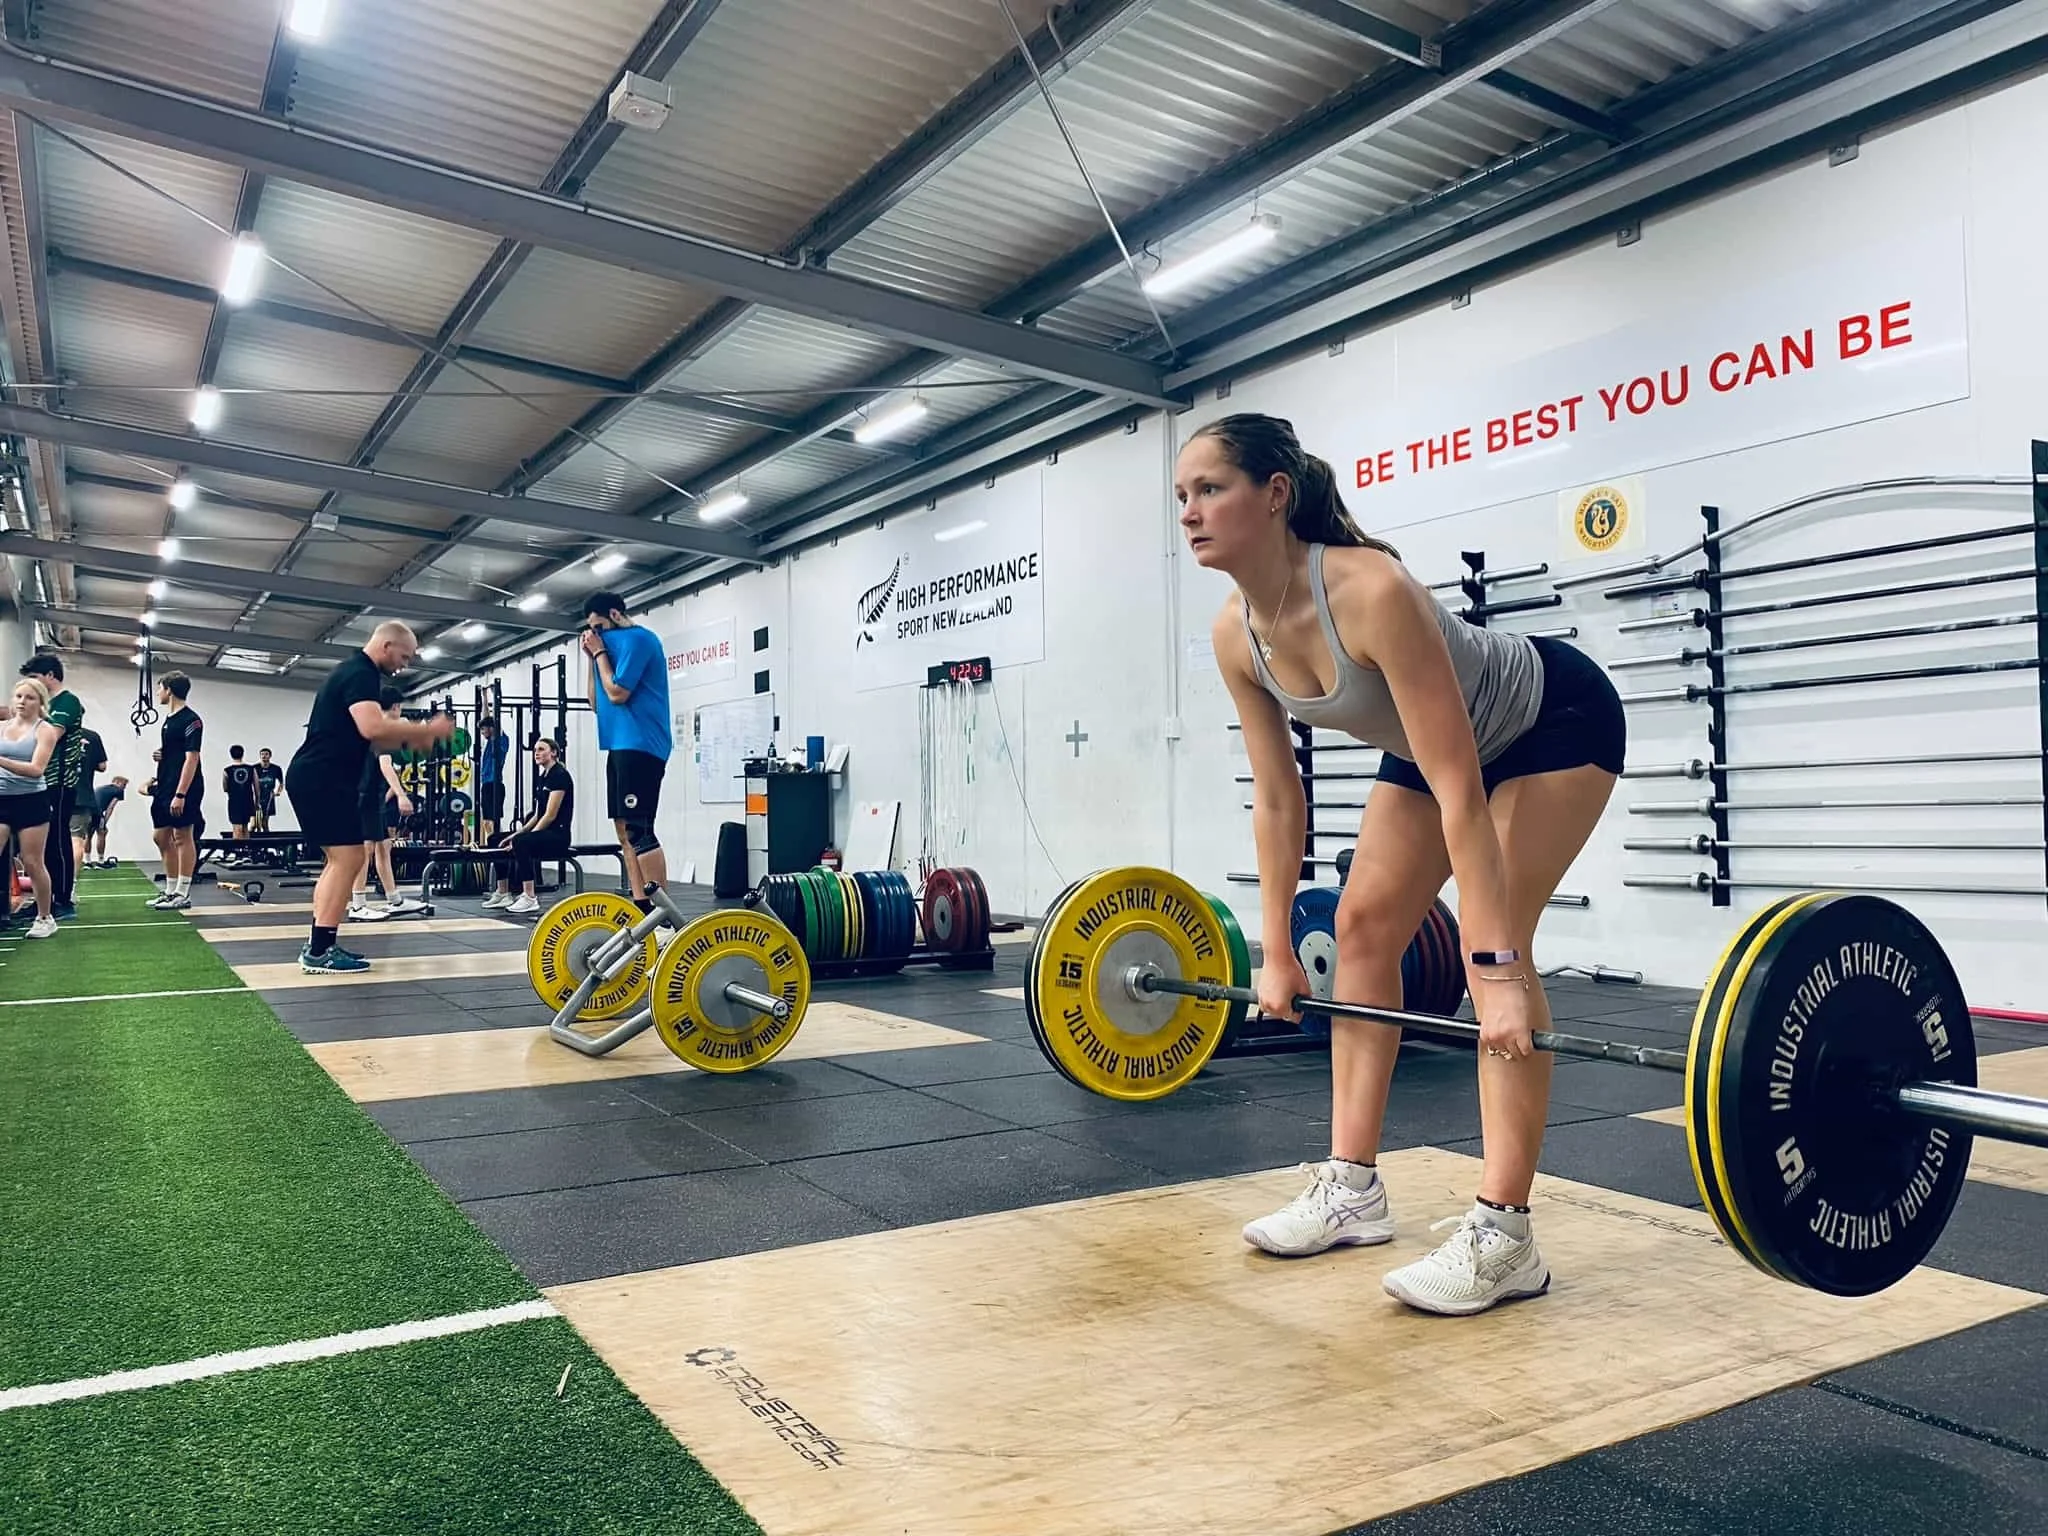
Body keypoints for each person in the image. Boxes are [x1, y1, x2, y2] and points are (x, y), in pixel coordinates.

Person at [1180, 413, 1625, 1317]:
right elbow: (1277, 799)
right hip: (1442, 745)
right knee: (1358, 929)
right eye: (1181, 497)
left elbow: (1460, 789)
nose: (1190, 512)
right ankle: (1352, 1190)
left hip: (1553, 721)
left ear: (1275, 495)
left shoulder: (1371, 591)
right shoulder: (1238, 632)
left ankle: (1506, 1237)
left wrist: (1494, 975)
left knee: (1498, 945)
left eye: (1210, 489)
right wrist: (1271, 951)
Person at [285, 621, 451, 973]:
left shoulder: (356, 672)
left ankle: (318, 943)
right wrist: (426, 732)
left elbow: (374, 737)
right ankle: (319, 951)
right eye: (404, 656)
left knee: (340, 860)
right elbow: (372, 728)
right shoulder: (361, 674)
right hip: (322, 778)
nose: (405, 664)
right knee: (348, 859)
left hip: (321, 777)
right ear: (386, 645)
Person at [581, 591, 671, 910]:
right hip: (618, 744)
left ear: (616, 615)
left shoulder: (638, 640)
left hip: (643, 744)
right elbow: (595, 702)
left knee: (639, 827)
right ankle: (640, 904)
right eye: (592, 628)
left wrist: (601, 653)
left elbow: (617, 693)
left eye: (600, 626)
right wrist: (592, 657)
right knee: (623, 829)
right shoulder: (604, 650)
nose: (596, 634)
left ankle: (663, 911)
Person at [348, 688, 428, 923]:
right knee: (366, 850)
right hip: (366, 797)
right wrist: (402, 795)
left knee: (384, 847)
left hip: (372, 796)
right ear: (395, 707)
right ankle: (358, 904)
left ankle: (395, 899)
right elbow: (385, 765)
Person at [18, 654, 83, 921]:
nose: (30, 690)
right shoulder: (46, 706)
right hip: (40, 783)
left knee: (57, 841)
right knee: (39, 847)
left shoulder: (67, 702)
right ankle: (44, 899)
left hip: (60, 783)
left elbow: (50, 735)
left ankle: (63, 899)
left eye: (35, 679)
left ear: (50, 676)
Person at [0, 676, 63, 938]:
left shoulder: (44, 730)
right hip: (2, 798)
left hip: (31, 801)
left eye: (29, 697)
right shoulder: (1, 727)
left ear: (40, 703)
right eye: (19, 697)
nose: (23, 702)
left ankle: (45, 917)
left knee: (32, 861)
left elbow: (36, 770)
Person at [481, 736, 573, 917]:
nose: (536, 753)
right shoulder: (543, 776)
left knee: (522, 842)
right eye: (535, 750)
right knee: (495, 838)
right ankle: (503, 892)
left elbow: (550, 815)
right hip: (544, 832)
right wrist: (516, 834)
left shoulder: (560, 776)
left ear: (553, 753)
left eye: (541, 749)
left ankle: (530, 897)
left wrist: (522, 839)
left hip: (558, 836)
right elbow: (538, 814)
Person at [147, 672, 205, 912]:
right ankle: (170, 890)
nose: (158, 693)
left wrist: (181, 794)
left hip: (185, 787)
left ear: (169, 689)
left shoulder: (192, 720)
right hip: (164, 784)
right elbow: (177, 751)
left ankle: (182, 892)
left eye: (159, 688)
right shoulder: (169, 719)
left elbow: (192, 758)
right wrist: (162, 753)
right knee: (161, 837)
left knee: (182, 837)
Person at [70, 723, 107, 882]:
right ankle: (70, 887)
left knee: (53, 843)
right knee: (76, 839)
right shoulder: (92, 736)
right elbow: (102, 766)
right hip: (81, 796)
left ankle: (54, 889)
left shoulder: (52, 733)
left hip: (55, 795)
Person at [474, 716, 509, 845]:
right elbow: (486, 716)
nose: (482, 733)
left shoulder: (500, 740)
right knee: (487, 822)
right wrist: (484, 696)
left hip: (494, 785)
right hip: (487, 785)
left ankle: (498, 845)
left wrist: (494, 698)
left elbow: (494, 719)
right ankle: (496, 845)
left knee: (492, 822)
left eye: (483, 729)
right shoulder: (489, 742)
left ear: (492, 728)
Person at [86, 774, 129, 867]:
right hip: (97, 812)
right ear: (118, 782)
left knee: (88, 836)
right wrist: (104, 821)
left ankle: (87, 861)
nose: (124, 788)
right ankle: (101, 861)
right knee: (102, 833)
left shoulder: (100, 788)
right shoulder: (119, 790)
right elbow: (111, 807)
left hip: (88, 812)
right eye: (124, 785)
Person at [224, 745, 258, 846]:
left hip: (234, 801)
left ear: (231, 755)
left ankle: (239, 853)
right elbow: (257, 787)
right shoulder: (251, 769)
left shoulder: (227, 770)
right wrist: (257, 801)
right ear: (243, 754)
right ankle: (246, 851)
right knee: (245, 827)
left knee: (236, 827)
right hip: (248, 800)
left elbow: (225, 788)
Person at [252, 747, 281, 834]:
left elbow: (282, 783)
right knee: (254, 824)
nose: (264, 756)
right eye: (262, 754)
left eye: (266, 754)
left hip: (268, 797)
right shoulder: (254, 768)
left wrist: (278, 792)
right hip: (256, 797)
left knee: (264, 823)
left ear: (270, 756)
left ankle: (265, 845)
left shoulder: (276, 768)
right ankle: (249, 845)